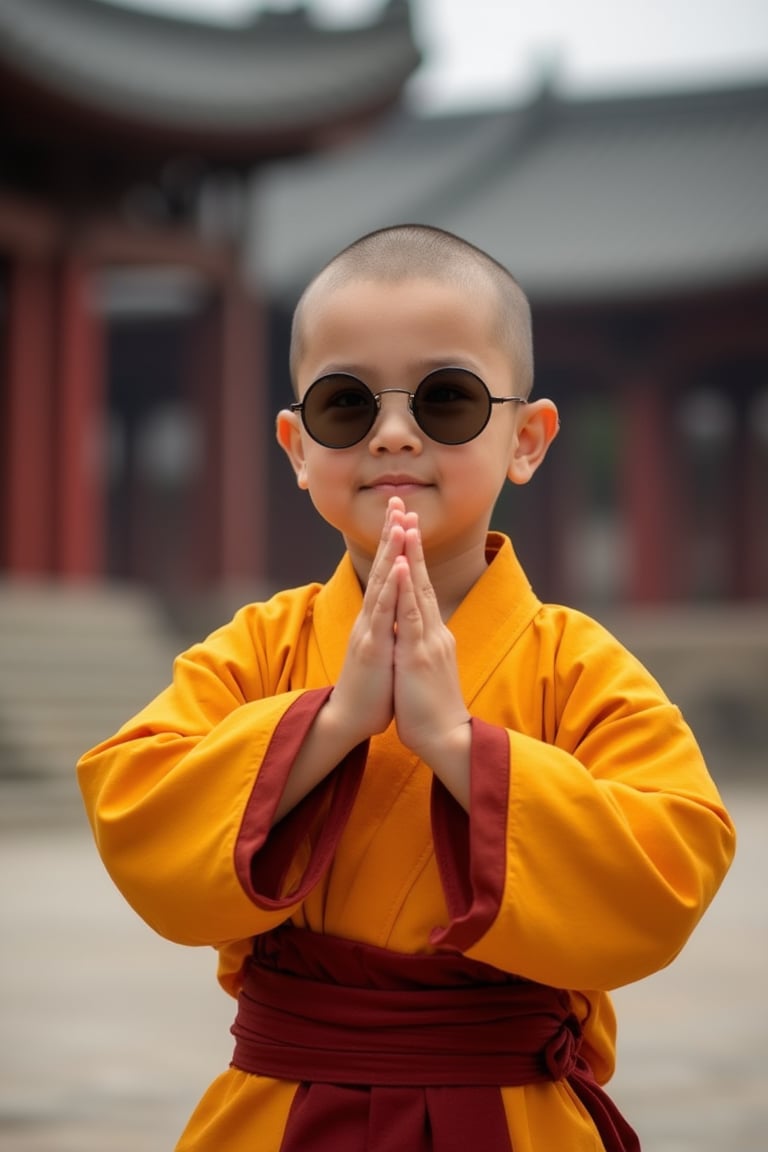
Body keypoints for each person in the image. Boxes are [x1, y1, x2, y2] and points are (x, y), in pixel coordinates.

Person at [77, 224, 735, 1152]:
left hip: (513, 1111)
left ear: (529, 439)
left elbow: (671, 863)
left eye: (448, 399)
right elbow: (135, 803)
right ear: (299, 446)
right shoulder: (262, 646)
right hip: (279, 1107)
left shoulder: (577, 664)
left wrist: (459, 748)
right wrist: (334, 721)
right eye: (346, 405)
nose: (393, 432)